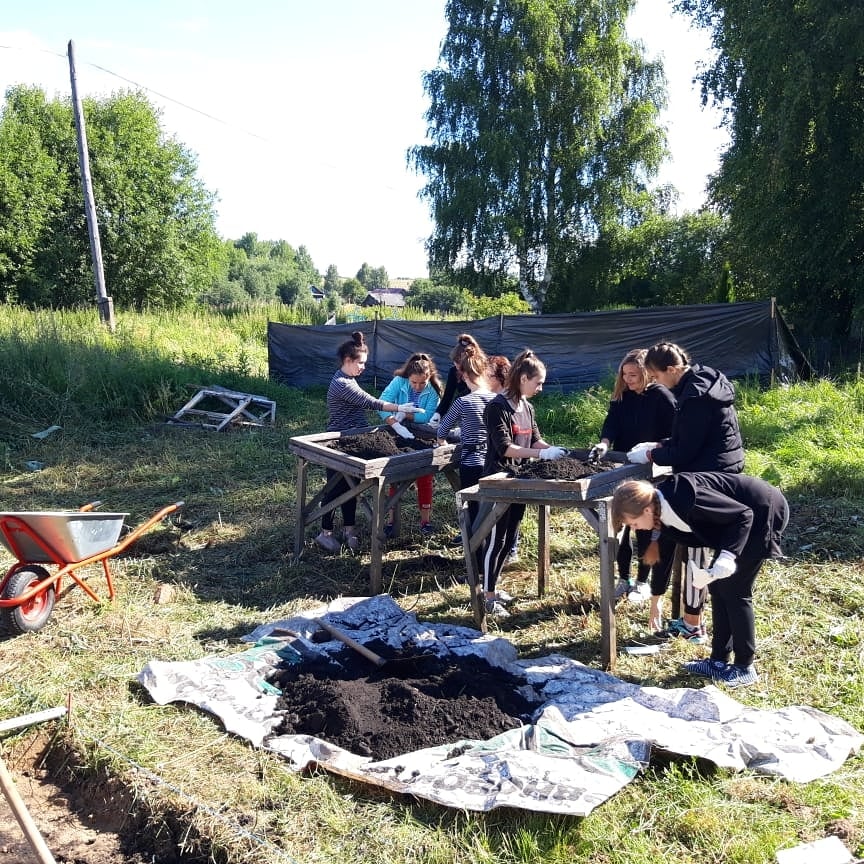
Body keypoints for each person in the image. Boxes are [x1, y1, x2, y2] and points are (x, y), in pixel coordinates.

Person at [612, 474, 789, 688]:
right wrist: (656, 598)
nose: (635, 528)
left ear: (646, 510)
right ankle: (718, 661)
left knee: (735, 591)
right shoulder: (659, 517)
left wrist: (728, 555)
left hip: (763, 512)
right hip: (735, 525)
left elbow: (743, 515)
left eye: (634, 523)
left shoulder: (685, 499)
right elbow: (663, 558)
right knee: (718, 588)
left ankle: (745, 667)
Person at [627, 341, 746, 642]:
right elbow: (689, 437)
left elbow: (685, 450)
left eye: (657, 376)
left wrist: (652, 455)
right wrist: (659, 444)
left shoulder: (695, 397)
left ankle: (693, 623)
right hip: (720, 468)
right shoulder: (704, 381)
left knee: (695, 546)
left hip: (707, 476)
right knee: (696, 546)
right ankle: (692, 617)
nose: (657, 383)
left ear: (672, 369)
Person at [479, 349, 567, 618]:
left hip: (520, 478)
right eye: (538, 383)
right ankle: (487, 597)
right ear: (523, 378)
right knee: (496, 540)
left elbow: (535, 440)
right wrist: (541, 455)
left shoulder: (527, 407)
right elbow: (505, 448)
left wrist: (553, 450)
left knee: (510, 539)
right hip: (498, 480)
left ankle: (494, 587)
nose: (540, 388)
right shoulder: (497, 407)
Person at [589, 348, 676, 612]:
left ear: (646, 373)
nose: (628, 379)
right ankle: (624, 578)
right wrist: (604, 443)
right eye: (625, 374)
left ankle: (642, 581)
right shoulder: (621, 395)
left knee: (646, 529)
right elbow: (611, 424)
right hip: (624, 466)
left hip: (652, 469)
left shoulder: (661, 396)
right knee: (622, 526)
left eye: (633, 375)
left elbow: (675, 433)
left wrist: (654, 448)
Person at [316, 332, 418, 552]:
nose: (363, 367)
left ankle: (349, 529)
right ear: (348, 360)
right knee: (336, 489)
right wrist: (399, 407)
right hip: (340, 442)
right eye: (360, 363)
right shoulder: (342, 383)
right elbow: (370, 402)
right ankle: (325, 533)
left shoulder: (349, 379)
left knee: (352, 487)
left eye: (364, 363)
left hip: (354, 439)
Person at [437, 349, 505, 526]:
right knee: (490, 507)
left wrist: (442, 442)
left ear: (465, 375)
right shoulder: (497, 399)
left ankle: (472, 540)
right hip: (492, 461)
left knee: (470, 507)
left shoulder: (463, 402)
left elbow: (442, 431)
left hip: (471, 462)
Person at [378, 352, 443, 536]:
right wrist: (395, 423)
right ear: (408, 377)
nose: (417, 386)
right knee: (395, 475)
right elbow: (382, 404)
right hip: (397, 433)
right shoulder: (399, 382)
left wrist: (406, 414)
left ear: (429, 378)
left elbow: (427, 416)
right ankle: (391, 520)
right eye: (414, 382)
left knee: (425, 476)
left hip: (422, 435)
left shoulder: (433, 389)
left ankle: (425, 521)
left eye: (422, 383)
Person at [430, 334, 487, 427]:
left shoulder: (483, 371)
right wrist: (438, 413)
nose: (456, 365)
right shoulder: (454, 371)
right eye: (455, 362)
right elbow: (448, 396)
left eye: (459, 363)